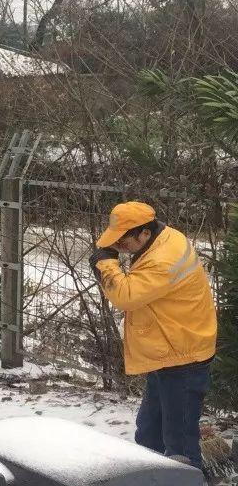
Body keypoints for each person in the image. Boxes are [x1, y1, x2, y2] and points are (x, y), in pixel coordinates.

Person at [90, 201, 217, 470]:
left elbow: (126, 296)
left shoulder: (163, 258)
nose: (118, 247)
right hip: (167, 351)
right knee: (148, 435)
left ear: (144, 233)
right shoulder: (162, 239)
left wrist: (106, 265)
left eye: (123, 240)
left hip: (183, 358)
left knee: (180, 449)